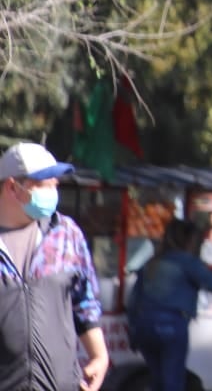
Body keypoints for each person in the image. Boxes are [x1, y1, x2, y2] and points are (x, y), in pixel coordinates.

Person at [0, 141, 109, 391]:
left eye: (55, 183)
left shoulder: (65, 234)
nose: (54, 189)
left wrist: (99, 355)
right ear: (12, 188)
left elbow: (85, 301)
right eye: (43, 184)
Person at [127, 217, 212, 391]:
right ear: (191, 240)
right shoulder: (188, 262)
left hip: (144, 326)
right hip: (172, 326)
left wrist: (133, 334)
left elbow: (133, 301)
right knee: (173, 382)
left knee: (157, 380)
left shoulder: (152, 263)